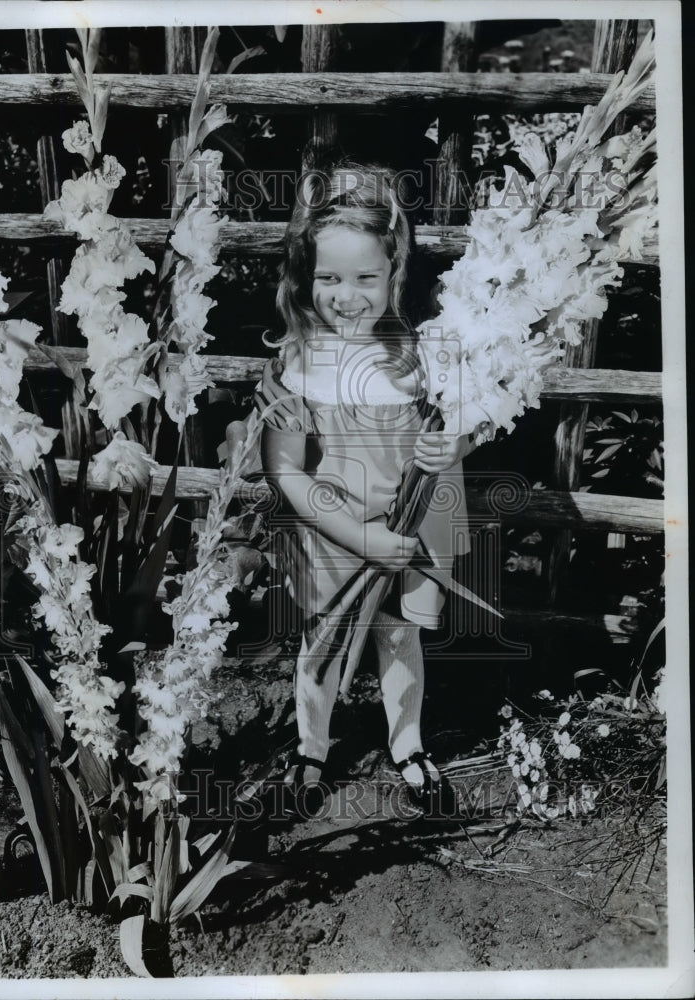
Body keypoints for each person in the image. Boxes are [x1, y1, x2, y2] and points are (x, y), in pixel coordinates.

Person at [255, 161, 492, 818]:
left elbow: (457, 428)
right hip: (335, 532)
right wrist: (361, 537)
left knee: (397, 637)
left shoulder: (418, 360)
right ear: (304, 279)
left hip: (409, 529)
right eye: (328, 277)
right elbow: (286, 472)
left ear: (393, 275)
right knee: (323, 642)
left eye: (366, 277)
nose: (347, 294)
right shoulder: (294, 363)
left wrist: (452, 445)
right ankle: (310, 747)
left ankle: (407, 742)